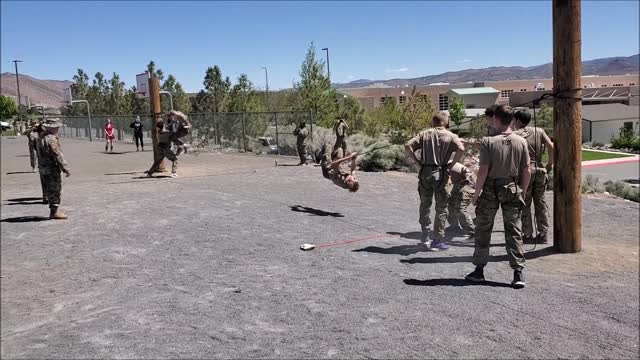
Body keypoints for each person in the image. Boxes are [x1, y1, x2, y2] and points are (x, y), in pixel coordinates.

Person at [465, 105, 531, 289]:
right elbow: (526, 170)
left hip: (490, 189)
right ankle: (518, 272)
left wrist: (476, 194)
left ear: (496, 119)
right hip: (512, 188)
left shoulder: (488, 141)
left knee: (483, 229)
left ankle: (479, 270)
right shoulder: (521, 141)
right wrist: (523, 191)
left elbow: (483, 170)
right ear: (511, 120)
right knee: (514, 231)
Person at [404, 112, 464, 251]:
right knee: (441, 208)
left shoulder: (424, 134)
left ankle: (425, 237)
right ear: (446, 122)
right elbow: (461, 149)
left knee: (425, 205)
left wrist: (417, 162)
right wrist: (452, 164)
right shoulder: (451, 136)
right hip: (441, 173)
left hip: (425, 173)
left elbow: (408, 145)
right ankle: (437, 240)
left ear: (433, 122)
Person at [513, 110, 554, 244]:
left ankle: (528, 234)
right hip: (540, 171)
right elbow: (551, 145)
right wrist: (549, 164)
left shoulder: (515, 135)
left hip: (525, 172)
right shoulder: (539, 131)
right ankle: (543, 234)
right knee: (541, 203)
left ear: (518, 120)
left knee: (525, 204)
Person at [37, 118, 71, 220]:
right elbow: (58, 155)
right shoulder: (51, 139)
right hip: (51, 169)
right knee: (55, 189)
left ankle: (53, 210)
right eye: (56, 127)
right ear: (51, 128)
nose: (58, 129)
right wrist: (65, 168)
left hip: (43, 168)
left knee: (49, 188)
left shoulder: (40, 137)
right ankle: (54, 212)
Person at [447, 162, 476, 236]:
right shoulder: (445, 162)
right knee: (451, 203)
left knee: (460, 208)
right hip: (459, 184)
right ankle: (454, 226)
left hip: (467, 185)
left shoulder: (448, 163)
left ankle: (472, 231)